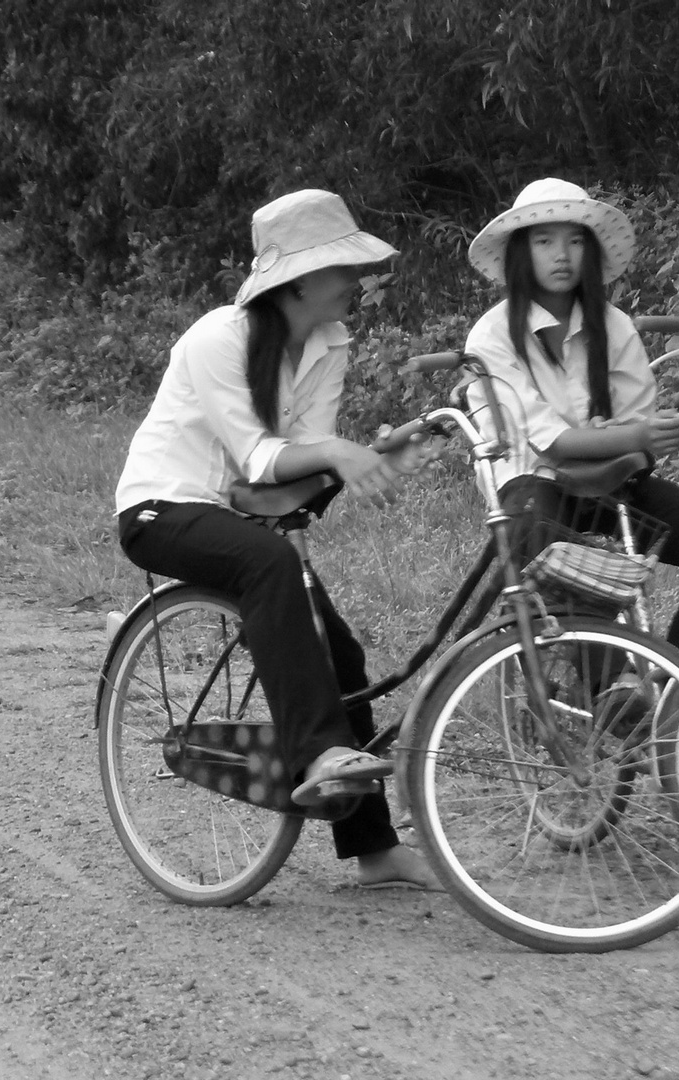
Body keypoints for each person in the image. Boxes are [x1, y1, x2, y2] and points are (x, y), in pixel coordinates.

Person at [114, 189, 440, 891]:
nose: (356, 280)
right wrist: (339, 456)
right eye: (341, 267)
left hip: (244, 516)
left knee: (341, 651)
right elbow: (260, 458)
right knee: (266, 564)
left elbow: (289, 472)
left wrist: (376, 455)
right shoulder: (216, 339)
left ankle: (374, 849)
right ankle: (320, 754)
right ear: (295, 281)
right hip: (162, 510)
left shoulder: (329, 342)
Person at [462, 178, 679, 669]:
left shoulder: (614, 326)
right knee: (558, 560)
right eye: (544, 241)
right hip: (532, 488)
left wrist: (648, 438)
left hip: (606, 484)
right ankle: (614, 693)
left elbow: (639, 434)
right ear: (520, 254)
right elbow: (548, 444)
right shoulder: (491, 336)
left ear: (590, 252)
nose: (561, 254)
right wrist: (630, 435)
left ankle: (674, 686)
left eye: (574, 240)